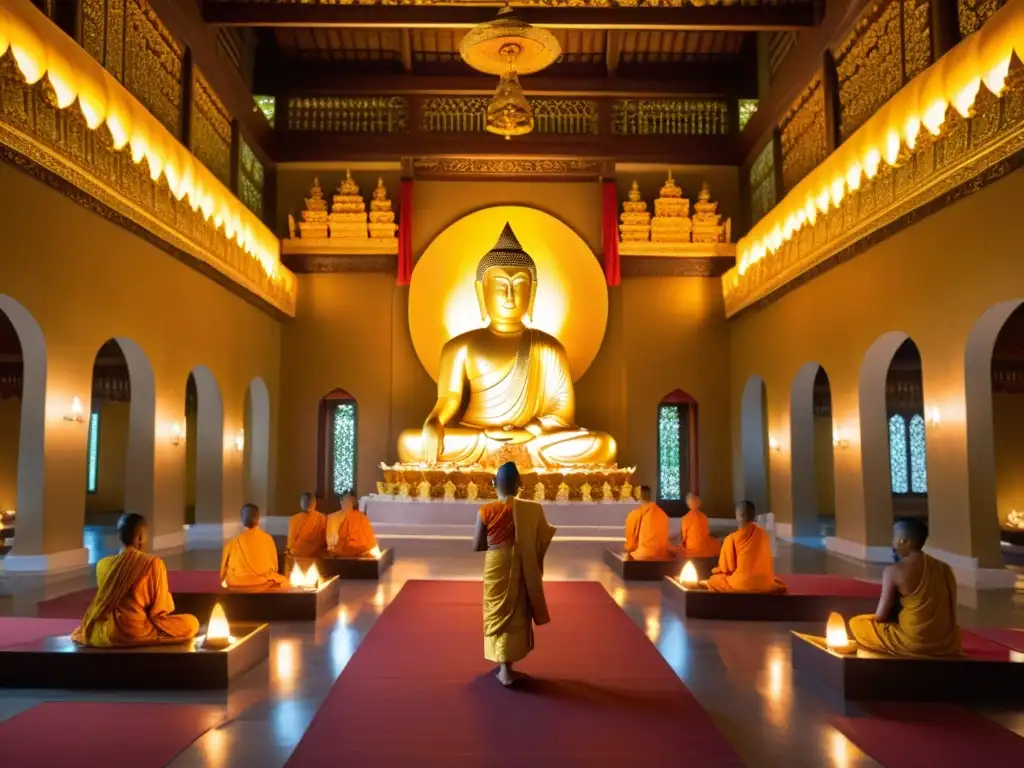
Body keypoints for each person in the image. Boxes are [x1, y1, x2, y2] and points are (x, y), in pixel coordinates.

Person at [397, 223, 616, 468]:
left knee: (603, 445)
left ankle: (518, 451)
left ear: (532, 293)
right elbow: (448, 400)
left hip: (532, 440)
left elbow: (562, 411)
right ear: (482, 292)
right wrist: (433, 423)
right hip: (479, 438)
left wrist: (530, 431)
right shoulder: (461, 346)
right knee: (410, 442)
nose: (510, 296)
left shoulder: (547, 347)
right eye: (501, 285)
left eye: (519, 285)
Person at [474, 461, 556, 687]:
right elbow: (543, 537)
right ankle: (506, 666)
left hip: (495, 562)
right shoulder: (533, 510)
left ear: (493, 484)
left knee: (497, 610)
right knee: (518, 608)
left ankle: (503, 667)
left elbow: (477, 545)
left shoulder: (486, 510)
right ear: (520, 485)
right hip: (521, 561)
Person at [72, 513, 199, 647]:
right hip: (134, 630)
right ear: (141, 537)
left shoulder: (102, 564)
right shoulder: (153, 563)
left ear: (120, 536)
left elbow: (105, 602)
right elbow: (159, 611)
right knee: (192, 623)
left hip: (106, 632)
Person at [849, 518, 962, 657]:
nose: (892, 543)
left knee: (856, 623)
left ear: (905, 541)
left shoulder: (894, 570)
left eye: (894, 538)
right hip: (949, 644)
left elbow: (881, 615)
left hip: (914, 644)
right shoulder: (945, 568)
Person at [703, 500, 786, 593]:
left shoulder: (732, 539)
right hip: (766, 585)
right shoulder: (763, 534)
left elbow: (727, 568)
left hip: (742, 585)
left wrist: (716, 570)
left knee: (715, 579)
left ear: (740, 515)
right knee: (771, 580)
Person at [220, 503, 288, 590]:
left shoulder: (233, 540)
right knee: (285, 582)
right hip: (262, 582)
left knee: (227, 580)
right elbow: (274, 566)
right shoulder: (267, 538)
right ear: (258, 519)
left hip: (237, 583)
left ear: (242, 519)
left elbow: (223, 572)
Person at [623, 486, 672, 560]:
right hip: (662, 555)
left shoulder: (634, 515)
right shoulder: (663, 514)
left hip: (643, 555)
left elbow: (630, 545)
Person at [326, 492, 379, 557]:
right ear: (341, 501)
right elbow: (331, 542)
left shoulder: (360, 517)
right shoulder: (333, 517)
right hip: (340, 554)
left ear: (353, 502)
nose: (347, 503)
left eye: (349, 500)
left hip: (361, 553)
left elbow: (369, 542)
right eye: (345, 500)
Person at [679, 493, 721, 559]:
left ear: (688, 504)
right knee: (717, 543)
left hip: (690, 548)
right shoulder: (704, 516)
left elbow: (683, 537)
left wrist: (682, 545)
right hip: (703, 547)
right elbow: (706, 533)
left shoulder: (685, 518)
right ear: (699, 503)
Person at [287, 492, 327, 558]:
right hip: (297, 554)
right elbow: (291, 541)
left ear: (314, 503)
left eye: (308, 502)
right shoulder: (294, 519)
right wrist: (290, 550)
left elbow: (325, 540)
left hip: (316, 555)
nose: (307, 504)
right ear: (300, 503)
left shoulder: (322, 518)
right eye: (304, 502)